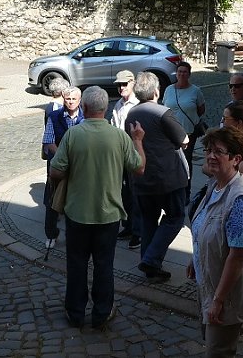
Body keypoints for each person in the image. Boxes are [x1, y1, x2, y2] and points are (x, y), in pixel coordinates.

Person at [50, 86, 146, 330]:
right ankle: (102, 313)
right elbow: (139, 168)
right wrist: (138, 141)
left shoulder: (73, 135)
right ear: (104, 109)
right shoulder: (119, 136)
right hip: (109, 214)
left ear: (84, 107)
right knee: (104, 265)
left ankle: (76, 312)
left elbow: (56, 171)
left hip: (78, 212)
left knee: (77, 264)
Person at [187, 128, 243, 358]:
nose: (210, 156)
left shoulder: (239, 200)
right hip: (209, 283)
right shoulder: (215, 185)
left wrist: (218, 300)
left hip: (225, 295)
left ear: (236, 159)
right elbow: (207, 228)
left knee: (218, 351)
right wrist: (196, 257)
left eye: (218, 151)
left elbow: (238, 255)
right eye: (208, 150)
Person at [127, 71, 189, 283]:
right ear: (156, 91)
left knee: (148, 220)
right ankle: (152, 259)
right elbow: (184, 139)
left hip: (142, 177)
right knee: (175, 216)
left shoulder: (131, 113)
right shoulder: (163, 112)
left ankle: (149, 264)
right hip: (167, 177)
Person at [42, 86, 84, 249]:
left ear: (79, 100)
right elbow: (48, 140)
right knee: (52, 200)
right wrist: (63, 155)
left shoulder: (85, 117)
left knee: (77, 202)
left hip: (79, 167)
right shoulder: (54, 116)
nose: (71, 102)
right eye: (68, 99)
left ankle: (75, 235)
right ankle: (51, 234)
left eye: (74, 99)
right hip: (58, 166)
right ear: (63, 99)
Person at [111, 70, 142, 249]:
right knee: (125, 193)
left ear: (133, 83)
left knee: (135, 193)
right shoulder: (118, 105)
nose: (121, 87)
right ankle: (128, 226)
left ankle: (138, 232)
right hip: (120, 155)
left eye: (125, 84)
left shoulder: (137, 105)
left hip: (134, 154)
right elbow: (115, 127)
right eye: (119, 85)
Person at [162, 61, 206, 179]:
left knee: (186, 160)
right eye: (179, 71)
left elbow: (201, 109)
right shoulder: (168, 89)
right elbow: (165, 107)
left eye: (185, 72)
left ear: (189, 74)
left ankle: (186, 186)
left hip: (188, 132)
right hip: (170, 133)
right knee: (171, 160)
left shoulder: (195, 91)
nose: (182, 74)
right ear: (176, 74)